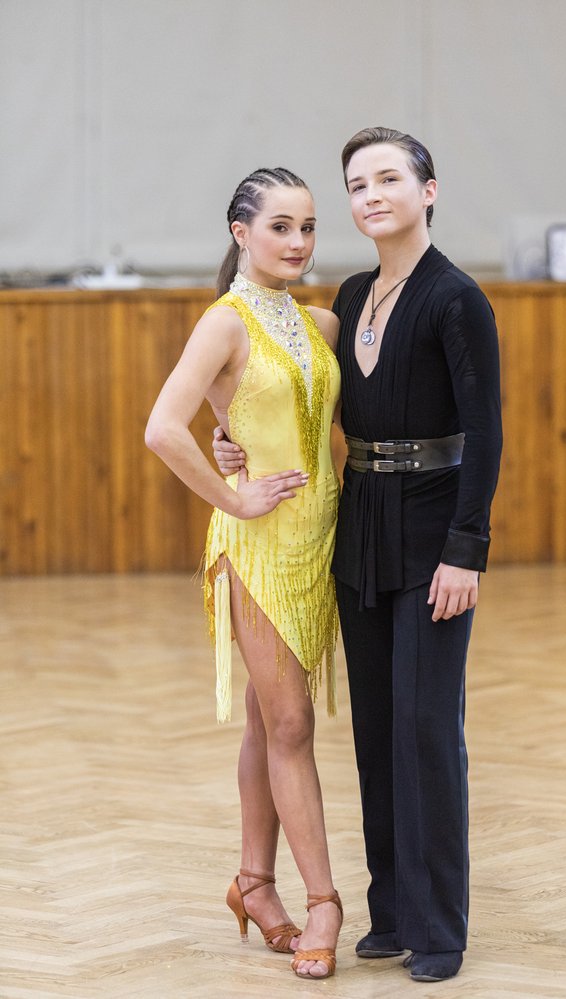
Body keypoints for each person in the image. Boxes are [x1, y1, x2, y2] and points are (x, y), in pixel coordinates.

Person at [214, 128, 503, 984]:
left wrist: (467, 548)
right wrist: (232, 444)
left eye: (388, 178)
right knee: (376, 732)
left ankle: (441, 928)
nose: (371, 194)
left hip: (434, 531)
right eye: (357, 183)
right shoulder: (348, 293)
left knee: (426, 729)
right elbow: (283, 389)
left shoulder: (457, 299)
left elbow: (485, 435)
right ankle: (391, 913)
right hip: (359, 523)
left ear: (429, 190)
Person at [145, 167, 344, 981]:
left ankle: (254, 883)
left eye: (307, 227)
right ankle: (325, 899)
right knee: (292, 725)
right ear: (241, 233)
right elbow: (163, 427)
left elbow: (325, 431)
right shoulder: (222, 323)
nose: (297, 243)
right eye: (280, 228)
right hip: (256, 544)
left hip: (321, 539)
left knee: (270, 724)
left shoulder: (324, 322)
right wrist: (232, 491)